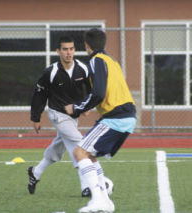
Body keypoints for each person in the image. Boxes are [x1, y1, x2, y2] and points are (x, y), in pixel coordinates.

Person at [27, 35, 113, 197]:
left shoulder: (83, 68)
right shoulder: (50, 72)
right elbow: (39, 95)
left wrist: (87, 105)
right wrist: (36, 118)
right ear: (58, 51)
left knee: (56, 151)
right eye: (65, 49)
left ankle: (35, 173)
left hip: (73, 116)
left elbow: (90, 88)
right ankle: (87, 186)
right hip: (57, 114)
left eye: (71, 49)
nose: (68, 53)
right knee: (80, 146)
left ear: (74, 50)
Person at [65, 28, 136, 213]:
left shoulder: (96, 60)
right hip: (124, 115)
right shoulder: (112, 61)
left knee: (79, 152)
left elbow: (98, 93)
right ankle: (105, 200)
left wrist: (78, 108)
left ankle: (97, 200)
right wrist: (86, 105)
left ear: (86, 45)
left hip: (116, 117)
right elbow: (102, 91)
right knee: (89, 154)